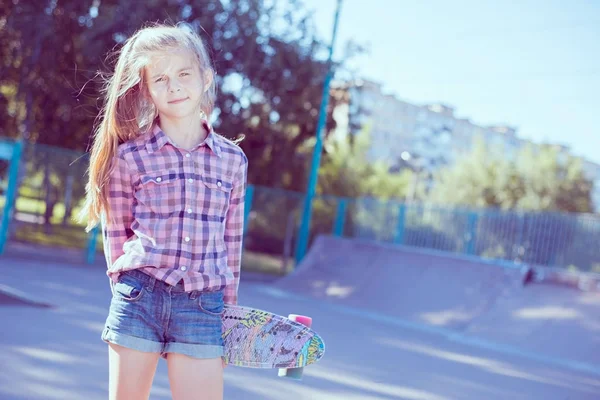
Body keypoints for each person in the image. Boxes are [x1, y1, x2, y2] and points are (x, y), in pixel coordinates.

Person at [79, 22, 248, 400]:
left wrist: (228, 318)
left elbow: (231, 242)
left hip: (203, 306)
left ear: (206, 78)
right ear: (147, 91)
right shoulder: (130, 156)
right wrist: (126, 292)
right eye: (160, 79)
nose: (174, 87)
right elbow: (116, 236)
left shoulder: (233, 161)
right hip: (140, 298)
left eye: (184, 74)